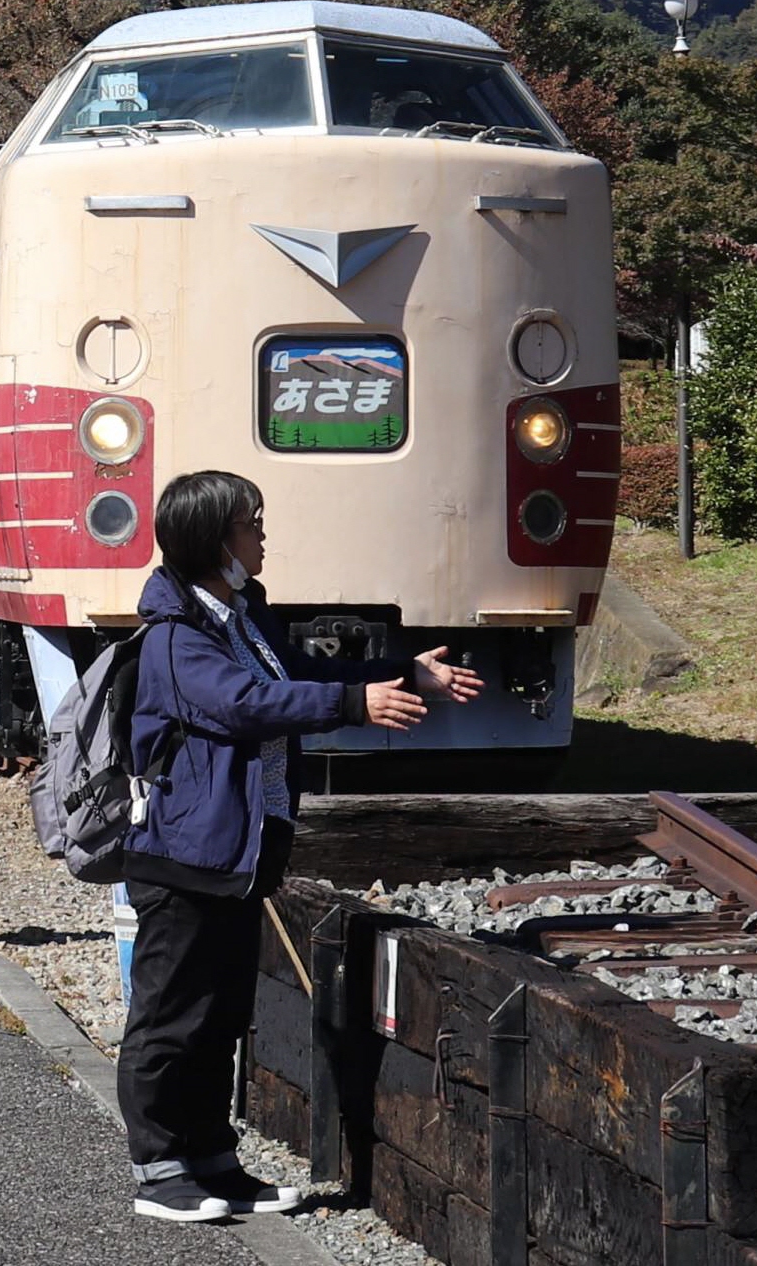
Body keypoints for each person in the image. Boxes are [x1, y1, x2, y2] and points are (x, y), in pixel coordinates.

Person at [115, 469, 480, 1224]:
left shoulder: (241, 615)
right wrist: (355, 706)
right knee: (170, 1019)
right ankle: (160, 1171)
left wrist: (404, 671)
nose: (262, 534)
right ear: (218, 542)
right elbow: (245, 704)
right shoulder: (177, 637)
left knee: (221, 1015)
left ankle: (213, 1159)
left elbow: (299, 672)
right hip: (184, 858)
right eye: (252, 523)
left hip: (235, 858)